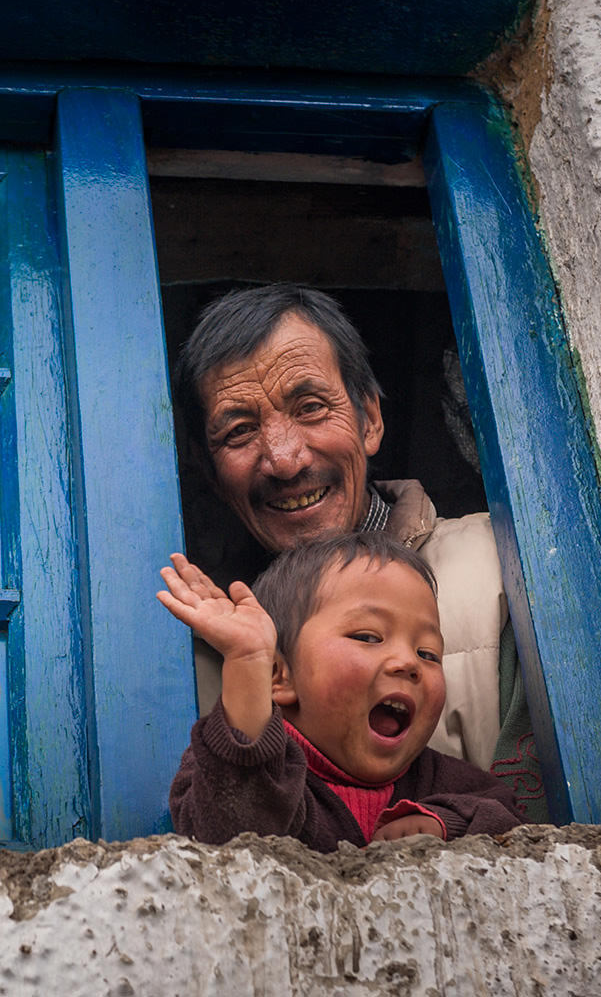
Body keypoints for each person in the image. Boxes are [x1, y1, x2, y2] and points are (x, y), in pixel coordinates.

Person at [172, 283, 545, 820]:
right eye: (239, 431)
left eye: (310, 408)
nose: (284, 459)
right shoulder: (204, 653)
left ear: (370, 419)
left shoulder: (502, 568)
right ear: (210, 472)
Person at [162, 533, 524, 849]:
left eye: (428, 653)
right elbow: (231, 834)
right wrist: (247, 663)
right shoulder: (223, 770)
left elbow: (509, 821)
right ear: (279, 676)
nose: (407, 662)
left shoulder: (443, 781)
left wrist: (444, 822)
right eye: (368, 637)